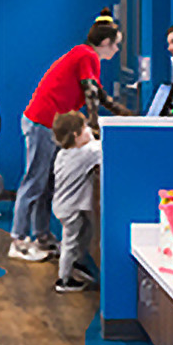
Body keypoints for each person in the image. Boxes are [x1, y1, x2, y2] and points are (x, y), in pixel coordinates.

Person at [9, 13, 132, 262]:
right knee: (34, 181)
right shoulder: (87, 55)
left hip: (48, 124)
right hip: (42, 122)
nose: (117, 49)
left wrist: (123, 113)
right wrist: (95, 128)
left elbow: (98, 93)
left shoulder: (83, 55)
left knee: (47, 183)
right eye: (116, 44)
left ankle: (41, 236)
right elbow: (90, 93)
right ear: (105, 43)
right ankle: (18, 240)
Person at [50, 111, 102, 293]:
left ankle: (77, 263)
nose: (89, 130)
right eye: (85, 128)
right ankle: (63, 280)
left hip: (64, 205)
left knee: (83, 233)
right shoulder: (85, 154)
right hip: (71, 208)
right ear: (75, 135)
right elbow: (103, 148)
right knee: (70, 241)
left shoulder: (64, 154)